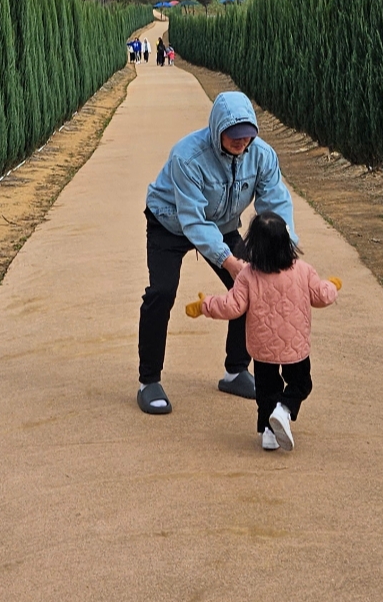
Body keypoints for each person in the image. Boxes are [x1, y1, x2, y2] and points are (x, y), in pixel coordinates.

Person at [136, 89, 295, 414]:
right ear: (216, 129)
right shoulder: (187, 157)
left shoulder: (262, 156)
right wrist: (228, 260)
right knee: (161, 292)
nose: (240, 142)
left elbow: (275, 206)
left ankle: (235, 371)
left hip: (221, 223)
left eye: (246, 135)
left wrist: (283, 251)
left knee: (254, 283)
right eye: (233, 135)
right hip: (170, 222)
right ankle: (148, 381)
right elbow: (193, 220)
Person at [187, 211, 340, 450]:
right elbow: (321, 296)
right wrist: (333, 285)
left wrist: (205, 305)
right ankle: (284, 408)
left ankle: (268, 433)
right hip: (295, 346)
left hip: (262, 348)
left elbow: (232, 306)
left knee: (267, 390)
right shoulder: (303, 270)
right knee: (301, 383)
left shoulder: (248, 275)